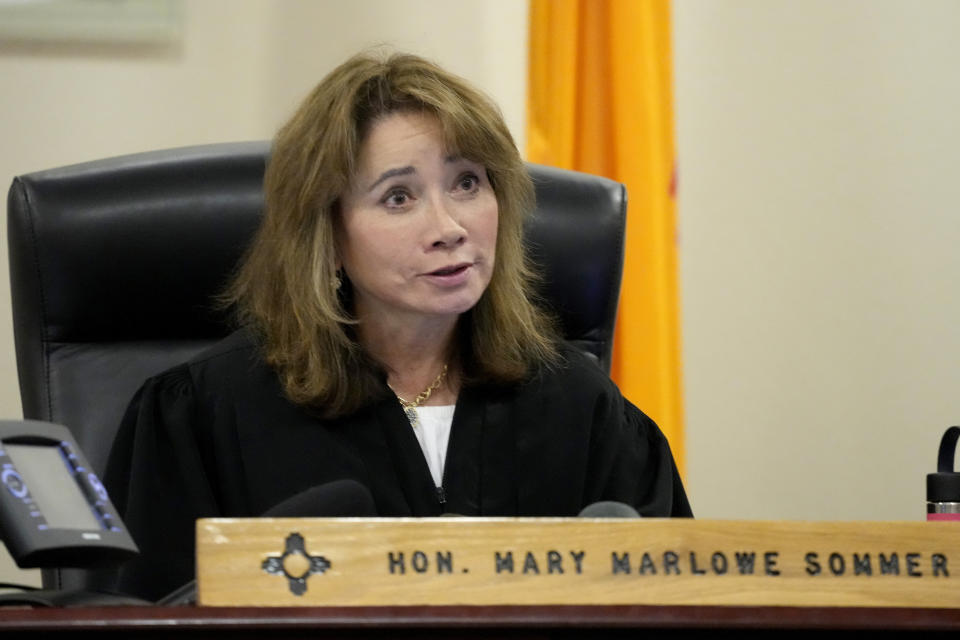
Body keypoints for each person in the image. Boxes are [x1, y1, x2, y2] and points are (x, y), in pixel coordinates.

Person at [103, 50, 692, 602]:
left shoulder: (578, 404)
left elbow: (679, 605)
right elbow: (147, 618)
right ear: (327, 237)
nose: (448, 226)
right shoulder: (205, 415)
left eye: (467, 183)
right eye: (398, 197)